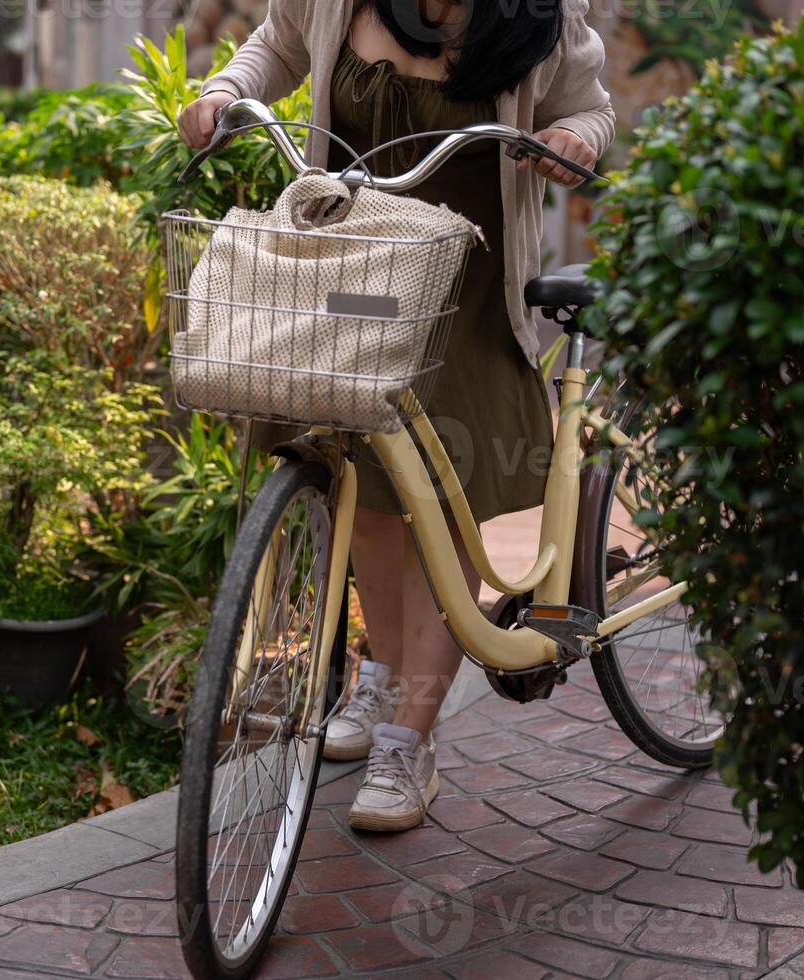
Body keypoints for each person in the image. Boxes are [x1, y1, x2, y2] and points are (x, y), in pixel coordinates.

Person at [178, 0, 614, 832]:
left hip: (468, 280)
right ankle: (381, 674)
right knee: (368, 489)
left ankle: (410, 737)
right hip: (356, 268)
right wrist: (223, 93)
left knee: (440, 508)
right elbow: (274, 48)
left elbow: (587, 107)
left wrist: (578, 141)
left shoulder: (537, 18)